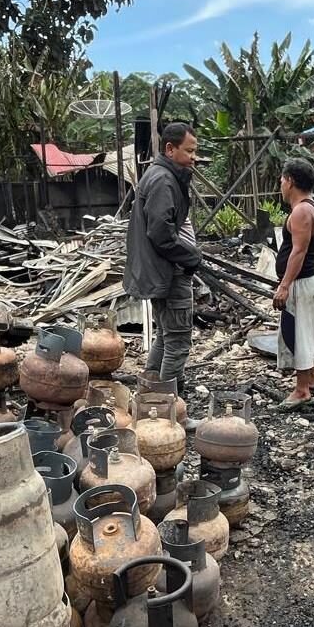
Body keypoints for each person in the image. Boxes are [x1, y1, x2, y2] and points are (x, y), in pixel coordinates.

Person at [123, 122, 202, 428]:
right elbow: (161, 233)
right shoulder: (163, 181)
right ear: (170, 149)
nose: (194, 157)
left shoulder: (162, 176)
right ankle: (168, 416)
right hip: (168, 274)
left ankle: (147, 404)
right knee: (179, 343)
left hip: (160, 273)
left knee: (165, 338)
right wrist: (191, 256)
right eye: (190, 151)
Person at [272, 158, 314, 410]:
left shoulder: (302, 211)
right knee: (307, 331)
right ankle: (311, 379)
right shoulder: (309, 206)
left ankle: (302, 389)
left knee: (298, 333)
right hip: (308, 281)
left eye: (282, 180)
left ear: (290, 181)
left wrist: (284, 285)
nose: (280, 185)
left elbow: (298, 252)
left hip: (301, 283)